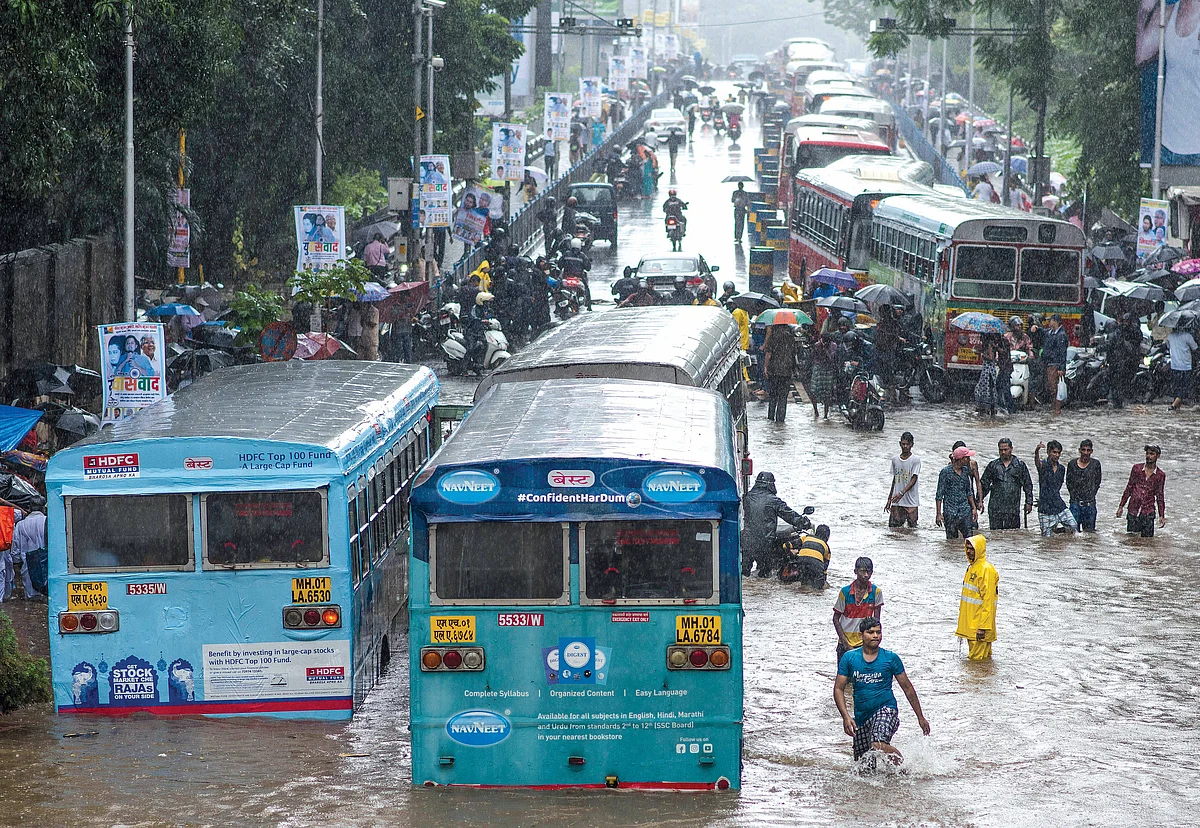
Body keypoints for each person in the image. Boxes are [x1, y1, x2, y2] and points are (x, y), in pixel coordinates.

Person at [834, 617, 931, 766]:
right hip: (861, 717)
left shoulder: (891, 658)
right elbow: (839, 688)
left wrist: (920, 717)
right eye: (870, 632)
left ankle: (905, 770)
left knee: (878, 743)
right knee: (863, 768)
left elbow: (907, 688)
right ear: (861, 635)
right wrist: (845, 717)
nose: (875, 636)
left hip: (886, 710)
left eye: (878, 632)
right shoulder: (849, 658)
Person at [741, 471, 809, 578]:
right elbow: (789, 515)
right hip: (765, 543)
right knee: (765, 575)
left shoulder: (747, 497)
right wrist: (803, 522)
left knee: (744, 574)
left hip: (747, 541)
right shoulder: (773, 501)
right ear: (771, 484)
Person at [832, 557, 884, 663]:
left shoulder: (876, 592)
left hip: (865, 644)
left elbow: (876, 621)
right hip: (845, 642)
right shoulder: (845, 592)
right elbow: (836, 619)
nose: (866, 575)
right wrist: (846, 644)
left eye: (869, 572)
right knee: (843, 678)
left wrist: (873, 642)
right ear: (855, 571)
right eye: (863, 571)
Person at [956, 535, 999, 661]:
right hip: (973, 627)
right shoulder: (973, 567)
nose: (968, 552)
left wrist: (983, 627)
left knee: (975, 664)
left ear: (979, 549)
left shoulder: (986, 570)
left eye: (972, 549)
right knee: (982, 664)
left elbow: (988, 601)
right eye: (967, 548)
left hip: (979, 629)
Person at [980, 438, 1033, 530]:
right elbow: (984, 485)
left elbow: (1027, 485)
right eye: (1001, 450)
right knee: (995, 535)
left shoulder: (1020, 465)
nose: (1003, 452)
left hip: (1012, 508)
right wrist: (979, 501)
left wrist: (1029, 502)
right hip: (995, 508)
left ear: (1011, 449)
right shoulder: (993, 465)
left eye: (1006, 449)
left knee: (1012, 536)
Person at [1116, 445, 1167, 537]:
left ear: (1158, 456)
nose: (1149, 456)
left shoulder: (1160, 475)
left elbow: (1160, 496)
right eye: (1147, 453)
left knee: (1147, 543)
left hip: (1148, 512)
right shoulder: (1137, 469)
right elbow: (1129, 488)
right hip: (1133, 510)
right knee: (1131, 540)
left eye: (1152, 454)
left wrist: (1161, 515)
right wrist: (1121, 506)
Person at [1034, 440, 1080, 536]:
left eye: (1058, 453)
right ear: (1048, 452)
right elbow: (1037, 463)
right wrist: (1037, 451)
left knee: (1073, 526)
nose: (1057, 455)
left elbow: (1058, 486)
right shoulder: (1043, 466)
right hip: (1045, 508)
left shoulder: (1061, 469)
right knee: (1046, 538)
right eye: (1054, 452)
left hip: (1058, 505)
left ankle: (1058, 534)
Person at [936, 446, 978, 540]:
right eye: (967, 457)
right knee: (952, 541)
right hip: (950, 512)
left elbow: (968, 491)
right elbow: (939, 495)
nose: (969, 459)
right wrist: (938, 513)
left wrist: (974, 508)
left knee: (970, 539)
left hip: (965, 511)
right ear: (961, 459)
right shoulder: (945, 472)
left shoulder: (966, 471)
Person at [1065, 439, 1103, 532]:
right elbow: (1068, 482)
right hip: (1075, 504)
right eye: (1083, 450)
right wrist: (1074, 497)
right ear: (1079, 450)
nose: (1086, 453)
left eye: (1088, 450)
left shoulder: (1095, 464)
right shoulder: (1072, 464)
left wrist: (1090, 495)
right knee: (1073, 533)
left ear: (1091, 451)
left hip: (1090, 504)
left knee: (1089, 536)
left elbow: (1097, 482)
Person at [884, 431, 920, 528]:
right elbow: (895, 479)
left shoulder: (915, 460)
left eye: (907, 444)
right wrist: (889, 499)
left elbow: (914, 479)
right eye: (903, 444)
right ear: (900, 444)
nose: (905, 446)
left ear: (912, 445)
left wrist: (902, 492)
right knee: (893, 529)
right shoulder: (895, 459)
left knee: (912, 529)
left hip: (911, 500)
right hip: (897, 501)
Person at [763, 323, 797, 422]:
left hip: (774, 370)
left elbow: (768, 354)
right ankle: (780, 420)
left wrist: (765, 367)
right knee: (783, 397)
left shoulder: (773, 336)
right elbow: (794, 353)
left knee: (773, 396)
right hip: (786, 371)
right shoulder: (791, 337)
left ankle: (771, 418)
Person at [782, 525, 831, 589]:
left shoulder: (806, 537)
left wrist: (791, 553)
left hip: (802, 562)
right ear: (827, 537)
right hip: (816, 565)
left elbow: (786, 545)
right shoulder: (827, 547)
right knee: (818, 587)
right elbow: (824, 569)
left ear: (816, 532)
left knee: (804, 582)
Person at [1165, 322, 1197, 410]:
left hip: (1174, 365)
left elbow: (1168, 346)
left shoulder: (1170, 336)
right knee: (1185, 388)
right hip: (1186, 366)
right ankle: (1173, 406)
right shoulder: (1188, 336)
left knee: (1177, 387)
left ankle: (1177, 407)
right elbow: (1195, 348)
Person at [1042, 313, 1069, 415]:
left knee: (1055, 388)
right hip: (1049, 363)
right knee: (1051, 387)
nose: (1049, 322)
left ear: (1056, 322)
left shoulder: (1061, 335)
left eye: (1051, 320)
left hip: (1055, 365)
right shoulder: (1050, 333)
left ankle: (1057, 409)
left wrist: (1061, 368)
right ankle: (1054, 408)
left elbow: (1062, 353)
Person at [974, 333, 1000, 417]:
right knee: (987, 389)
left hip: (988, 370)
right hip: (988, 370)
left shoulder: (988, 345)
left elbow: (991, 357)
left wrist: (981, 354)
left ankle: (988, 407)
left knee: (986, 389)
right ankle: (989, 408)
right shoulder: (990, 344)